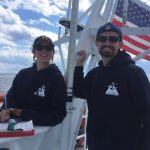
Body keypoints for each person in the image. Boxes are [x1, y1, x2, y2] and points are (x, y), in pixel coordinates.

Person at [73, 22, 150, 150]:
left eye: (113, 39)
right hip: (96, 145)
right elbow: (80, 91)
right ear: (97, 43)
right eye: (102, 39)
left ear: (120, 44)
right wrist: (79, 65)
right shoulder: (94, 74)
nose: (107, 43)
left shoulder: (134, 73)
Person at [0, 35, 67, 126]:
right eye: (39, 47)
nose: (44, 50)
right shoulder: (22, 74)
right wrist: (3, 113)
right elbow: (9, 99)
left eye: (48, 48)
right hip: (12, 129)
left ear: (53, 52)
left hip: (38, 133)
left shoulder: (57, 79)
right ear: (33, 52)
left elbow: (58, 115)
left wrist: (24, 114)